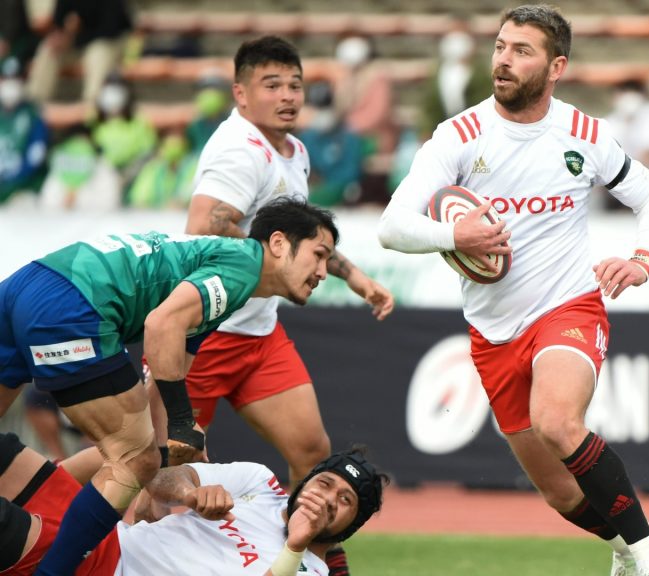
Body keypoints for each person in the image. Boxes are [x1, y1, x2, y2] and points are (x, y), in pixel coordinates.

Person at [378, 5, 649, 575]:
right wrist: (453, 232)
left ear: (556, 65)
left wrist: (643, 260)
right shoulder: (460, 135)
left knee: (558, 421)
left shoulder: (585, 134)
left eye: (522, 51)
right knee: (562, 495)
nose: (504, 60)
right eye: (499, 47)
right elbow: (392, 226)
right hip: (492, 334)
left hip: (567, 306)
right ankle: (623, 551)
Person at [0, 197, 340, 574]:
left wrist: (169, 448)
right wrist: (181, 424)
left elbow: (160, 386)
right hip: (71, 305)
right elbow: (162, 326)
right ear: (278, 244)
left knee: (141, 451)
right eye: (319, 254)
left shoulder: (220, 270)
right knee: (133, 458)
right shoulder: (243, 267)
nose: (324, 271)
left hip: (32, 281)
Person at [184, 36, 393, 575]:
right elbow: (204, 224)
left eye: (295, 84)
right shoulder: (239, 149)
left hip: (259, 336)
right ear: (241, 93)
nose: (287, 95)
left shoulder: (294, 152)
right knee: (165, 471)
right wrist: (273, 266)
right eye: (271, 84)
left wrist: (354, 275)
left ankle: (309, 565)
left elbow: (298, 237)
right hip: (205, 335)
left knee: (313, 455)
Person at [0, 431, 388, 575]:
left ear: (351, 525)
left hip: (105, 567)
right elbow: (162, 477)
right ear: (306, 480)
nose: (327, 498)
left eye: (345, 501)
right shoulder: (261, 482)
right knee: (4, 453)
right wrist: (190, 494)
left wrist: (295, 545)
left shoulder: (307, 570)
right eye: (325, 482)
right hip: (107, 534)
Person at [25, 0, 133, 105]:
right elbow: (59, 22)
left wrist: (71, 38)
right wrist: (60, 36)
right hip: (82, 41)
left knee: (97, 53)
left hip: (113, 42)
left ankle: (91, 107)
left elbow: (109, 30)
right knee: (49, 47)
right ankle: (34, 104)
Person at [0, 55, 47, 205]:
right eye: (6, 79)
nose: (10, 85)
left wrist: (12, 179)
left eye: (16, 80)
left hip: (22, 187)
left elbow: (36, 154)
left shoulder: (33, 114)